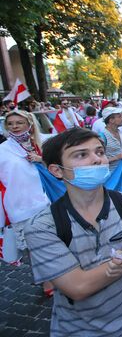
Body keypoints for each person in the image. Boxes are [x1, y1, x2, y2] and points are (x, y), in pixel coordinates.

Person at [25, 128, 122, 336]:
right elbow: (78, 287)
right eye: (81, 154)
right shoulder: (42, 226)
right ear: (56, 170)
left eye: (100, 152)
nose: (97, 160)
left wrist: (116, 263)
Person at [0, 111, 52, 295]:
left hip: (45, 202)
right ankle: (46, 281)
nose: (14, 126)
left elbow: (58, 164)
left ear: (29, 124)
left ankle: (56, 275)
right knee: (32, 248)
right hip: (19, 206)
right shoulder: (3, 149)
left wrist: (41, 160)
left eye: (19, 122)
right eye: (10, 123)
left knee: (50, 243)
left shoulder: (40, 143)